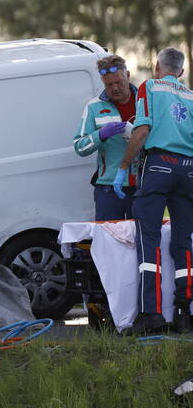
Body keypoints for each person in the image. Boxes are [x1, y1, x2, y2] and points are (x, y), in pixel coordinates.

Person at [115, 48, 193, 334]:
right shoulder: (191, 96)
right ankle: (185, 311)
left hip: (160, 163)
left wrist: (124, 166)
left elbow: (142, 130)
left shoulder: (150, 86)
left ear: (157, 65)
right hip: (189, 169)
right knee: (184, 240)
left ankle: (152, 314)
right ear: (181, 72)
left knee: (149, 237)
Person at [74, 54, 140, 220]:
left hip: (142, 186)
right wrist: (100, 135)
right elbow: (79, 147)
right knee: (109, 241)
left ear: (128, 76)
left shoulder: (145, 102)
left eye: (119, 82)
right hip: (108, 188)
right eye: (109, 84)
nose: (115, 88)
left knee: (142, 240)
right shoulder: (94, 107)